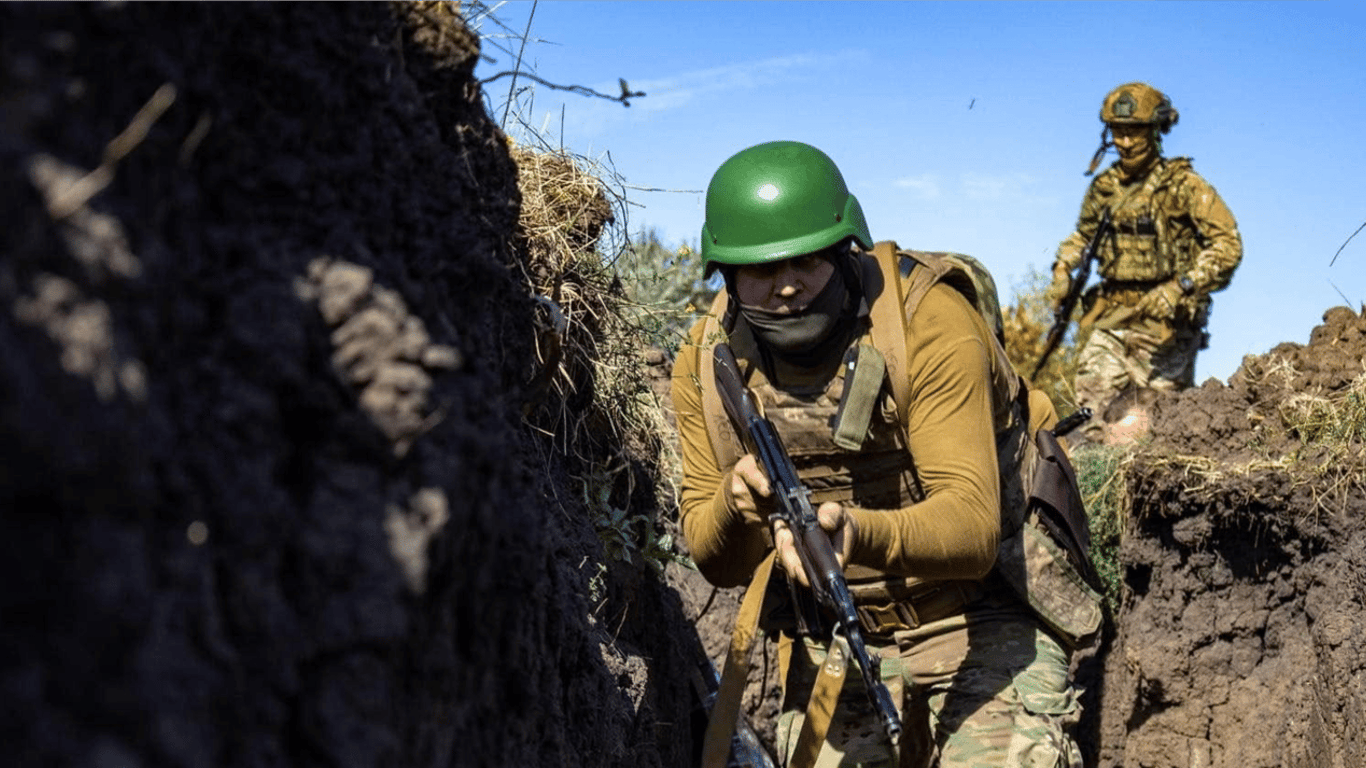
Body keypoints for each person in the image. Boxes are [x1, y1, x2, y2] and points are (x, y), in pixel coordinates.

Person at [672, 140, 1084, 768]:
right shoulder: (706, 363)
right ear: (726, 275)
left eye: (808, 261)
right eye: (762, 270)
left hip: (982, 623)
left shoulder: (927, 322)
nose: (787, 287)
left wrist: (854, 533)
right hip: (837, 640)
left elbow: (973, 527)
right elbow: (714, 559)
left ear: (846, 251)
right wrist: (735, 507)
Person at [1047, 82, 1242, 443]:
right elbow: (1082, 237)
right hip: (1113, 319)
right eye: (1118, 132)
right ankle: (1091, 491)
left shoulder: (1184, 185)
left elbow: (1227, 245)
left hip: (1166, 328)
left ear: (1156, 131)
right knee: (1089, 420)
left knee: (1161, 427)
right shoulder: (1105, 188)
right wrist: (1062, 269)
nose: (1124, 142)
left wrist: (1181, 286)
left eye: (1134, 132)